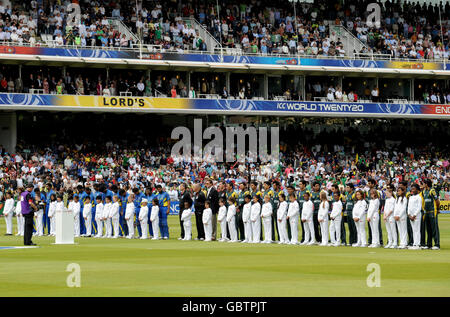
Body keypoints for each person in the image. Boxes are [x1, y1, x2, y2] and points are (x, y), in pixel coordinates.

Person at [421, 179, 440, 250]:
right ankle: (429, 244)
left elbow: (437, 201)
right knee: (428, 229)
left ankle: (437, 244)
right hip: (427, 212)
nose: (423, 185)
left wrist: (438, 209)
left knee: (434, 228)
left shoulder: (432, 191)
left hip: (432, 211)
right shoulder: (424, 191)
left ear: (426, 184)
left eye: (424, 183)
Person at [407, 184, 423, 250]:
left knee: (417, 230)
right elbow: (409, 207)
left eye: (414, 189)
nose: (412, 190)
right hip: (411, 216)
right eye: (412, 189)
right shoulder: (410, 197)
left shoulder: (419, 197)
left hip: (416, 216)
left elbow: (419, 208)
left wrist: (414, 215)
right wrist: (409, 214)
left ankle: (417, 244)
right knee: (413, 230)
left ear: (417, 190)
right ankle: (414, 243)